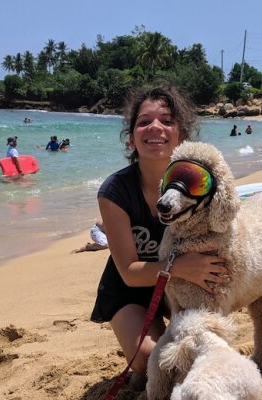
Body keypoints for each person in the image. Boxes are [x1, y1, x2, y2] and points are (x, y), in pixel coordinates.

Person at [90, 84, 228, 385]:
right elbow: (127, 272)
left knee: (198, 352)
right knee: (150, 361)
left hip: (184, 283)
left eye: (167, 120)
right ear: (131, 139)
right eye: (144, 121)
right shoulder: (115, 192)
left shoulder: (204, 183)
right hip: (132, 289)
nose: (155, 127)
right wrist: (178, 267)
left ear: (183, 137)